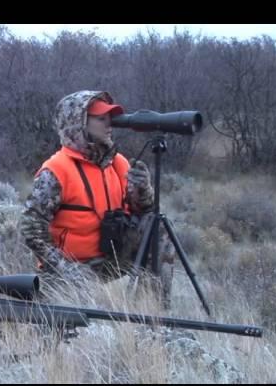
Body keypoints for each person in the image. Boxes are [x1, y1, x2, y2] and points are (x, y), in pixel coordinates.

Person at [20, 90, 174, 307]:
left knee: (159, 231)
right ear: (79, 123)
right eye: (101, 118)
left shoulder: (119, 163)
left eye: (110, 118)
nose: (109, 123)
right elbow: (30, 228)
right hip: (70, 266)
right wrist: (65, 268)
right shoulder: (56, 171)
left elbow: (145, 214)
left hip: (111, 257)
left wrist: (143, 191)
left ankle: (152, 315)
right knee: (86, 321)